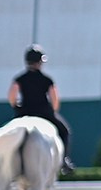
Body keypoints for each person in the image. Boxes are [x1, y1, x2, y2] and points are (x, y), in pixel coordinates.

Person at [10, 45, 73, 174]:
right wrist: (53, 111)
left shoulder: (19, 79)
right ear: (39, 62)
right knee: (65, 131)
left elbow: (12, 96)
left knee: (10, 133)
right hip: (44, 113)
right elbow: (54, 99)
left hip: (25, 114)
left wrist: (17, 107)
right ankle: (64, 160)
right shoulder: (47, 80)